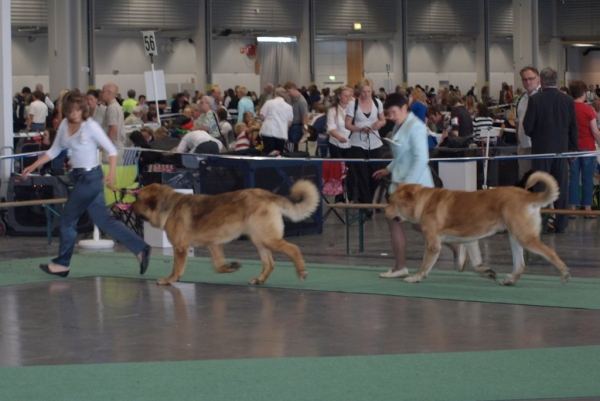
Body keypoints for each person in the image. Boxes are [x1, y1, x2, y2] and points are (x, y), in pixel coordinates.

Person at [21, 91, 151, 277]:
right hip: (80, 177)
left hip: (90, 178)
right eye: (71, 109)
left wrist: (112, 174)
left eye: (78, 109)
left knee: (67, 219)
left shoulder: (91, 126)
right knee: (103, 219)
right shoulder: (65, 124)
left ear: (84, 109)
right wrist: (32, 166)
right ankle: (141, 248)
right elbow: (54, 151)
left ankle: (62, 264)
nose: (74, 113)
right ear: (66, 110)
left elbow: (112, 150)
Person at [371, 93, 434, 278]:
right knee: (397, 220)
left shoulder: (416, 127)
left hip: (417, 188)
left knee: (426, 226)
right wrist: (388, 169)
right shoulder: (400, 125)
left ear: (405, 107)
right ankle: (400, 267)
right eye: (388, 113)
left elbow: (422, 158)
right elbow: (402, 155)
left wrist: (409, 183)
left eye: (393, 112)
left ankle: (458, 247)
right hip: (403, 186)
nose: (390, 117)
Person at [523, 67, 578, 233]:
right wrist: (573, 149)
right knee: (561, 186)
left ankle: (542, 222)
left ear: (541, 81)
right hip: (561, 150)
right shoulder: (568, 100)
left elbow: (527, 127)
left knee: (541, 186)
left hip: (542, 150)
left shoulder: (536, 100)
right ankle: (561, 222)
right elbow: (573, 127)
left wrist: (536, 135)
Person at [344, 77, 386, 211]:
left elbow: (383, 120)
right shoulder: (353, 105)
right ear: (359, 91)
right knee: (362, 176)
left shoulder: (378, 103)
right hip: (357, 144)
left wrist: (379, 123)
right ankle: (367, 205)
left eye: (368, 91)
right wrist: (360, 128)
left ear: (372, 90)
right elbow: (347, 125)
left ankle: (368, 202)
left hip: (375, 143)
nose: (366, 95)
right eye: (363, 92)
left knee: (375, 175)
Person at [568, 80, 600, 216]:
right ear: (583, 93)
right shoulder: (589, 110)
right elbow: (595, 131)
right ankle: (587, 208)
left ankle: (572, 209)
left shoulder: (568, 108)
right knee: (587, 178)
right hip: (588, 148)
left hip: (572, 148)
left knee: (573, 178)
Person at [515, 66, 541, 179]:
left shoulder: (543, 96)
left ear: (538, 78)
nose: (528, 82)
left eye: (531, 78)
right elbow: (517, 121)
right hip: (524, 147)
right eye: (524, 79)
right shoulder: (521, 98)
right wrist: (519, 141)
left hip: (539, 147)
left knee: (539, 179)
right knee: (524, 179)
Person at [258, 86, 293, 155]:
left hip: (268, 131)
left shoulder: (269, 102)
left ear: (275, 94)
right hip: (281, 133)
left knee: (268, 153)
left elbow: (261, 116)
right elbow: (289, 123)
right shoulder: (289, 107)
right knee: (279, 154)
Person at [101, 82, 129, 164]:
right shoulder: (117, 106)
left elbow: (114, 128)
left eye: (103, 91)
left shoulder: (111, 108)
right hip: (119, 146)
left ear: (109, 93)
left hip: (113, 146)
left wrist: (107, 146)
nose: (101, 94)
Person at [284, 81, 310, 152]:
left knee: (294, 143)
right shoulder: (289, 98)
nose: (287, 93)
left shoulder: (302, 101)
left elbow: (304, 116)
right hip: (289, 125)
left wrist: (305, 129)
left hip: (297, 126)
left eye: (288, 91)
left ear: (294, 88)